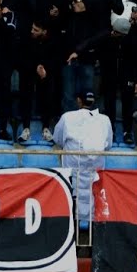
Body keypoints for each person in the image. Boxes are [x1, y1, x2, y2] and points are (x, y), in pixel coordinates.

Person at [53, 90, 113, 226]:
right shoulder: (105, 120)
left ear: (79, 101)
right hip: (94, 177)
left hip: (74, 176)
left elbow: (57, 139)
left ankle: (73, 243)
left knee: (72, 206)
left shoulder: (67, 117)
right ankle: (93, 245)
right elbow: (108, 145)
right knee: (94, 203)